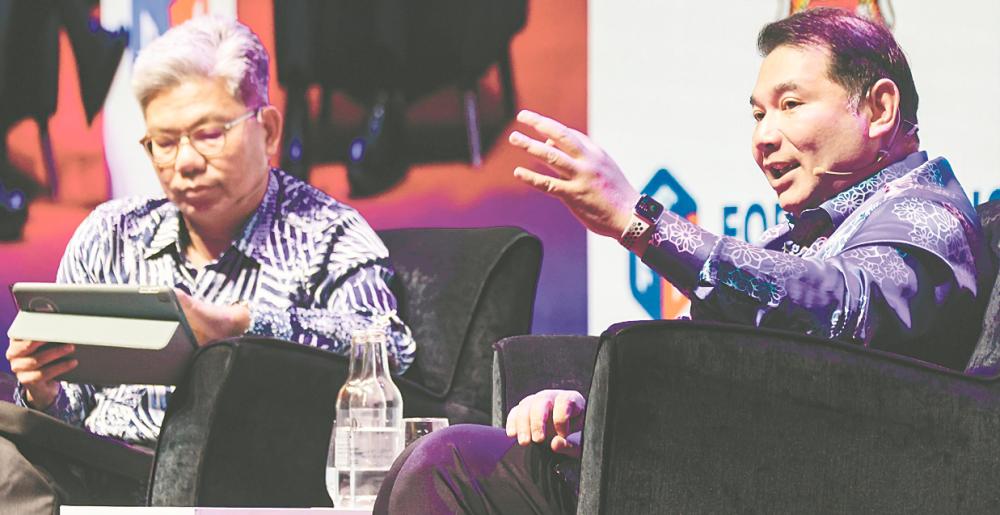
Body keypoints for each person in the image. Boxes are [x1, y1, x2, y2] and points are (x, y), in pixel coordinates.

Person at [373, 8, 993, 514]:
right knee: (446, 459)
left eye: (791, 104)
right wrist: (592, 406)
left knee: (446, 467)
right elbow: (705, 359)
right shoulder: (811, 229)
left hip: (806, 481)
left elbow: (841, 310)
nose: (763, 137)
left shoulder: (927, 214)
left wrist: (644, 225)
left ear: (879, 109)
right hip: (723, 468)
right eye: (757, 113)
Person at [2, 15, 415, 508]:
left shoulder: (327, 233)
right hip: (95, 472)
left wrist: (241, 326)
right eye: (165, 142)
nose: (185, 163)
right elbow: (70, 418)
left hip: (235, 482)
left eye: (209, 134)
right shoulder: (110, 235)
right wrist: (44, 393)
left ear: (267, 129)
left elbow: (388, 349)